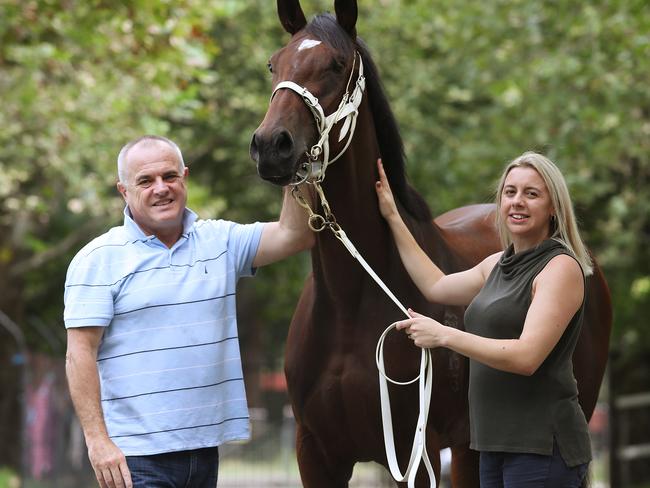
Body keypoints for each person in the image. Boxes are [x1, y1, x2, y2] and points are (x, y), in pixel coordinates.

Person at [64, 135, 314, 488]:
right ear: (124, 191)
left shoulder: (221, 241)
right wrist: (97, 440)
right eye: (145, 181)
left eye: (170, 176)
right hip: (134, 457)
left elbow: (295, 234)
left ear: (185, 176)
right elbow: (79, 354)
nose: (161, 188)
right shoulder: (98, 259)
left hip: (204, 452)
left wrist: (295, 159)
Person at [375, 151, 592, 487]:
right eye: (510, 192)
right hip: (491, 446)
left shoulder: (560, 268)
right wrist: (392, 216)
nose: (517, 202)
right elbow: (435, 285)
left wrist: (445, 335)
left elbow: (526, 357)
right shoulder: (496, 265)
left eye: (531, 194)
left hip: (541, 450)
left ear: (553, 208)